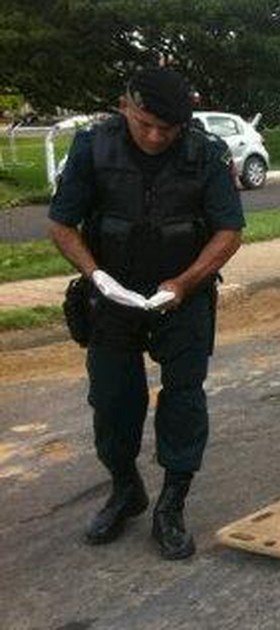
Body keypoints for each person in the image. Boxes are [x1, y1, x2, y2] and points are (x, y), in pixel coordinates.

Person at [47, 68, 244, 559]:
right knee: (112, 401)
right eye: (146, 124)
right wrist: (96, 275)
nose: (156, 137)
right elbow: (62, 225)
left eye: (169, 128)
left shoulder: (206, 154)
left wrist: (183, 283)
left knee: (183, 400)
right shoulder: (93, 148)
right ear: (125, 108)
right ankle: (125, 489)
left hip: (184, 301)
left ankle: (171, 505)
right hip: (111, 300)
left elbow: (229, 231)